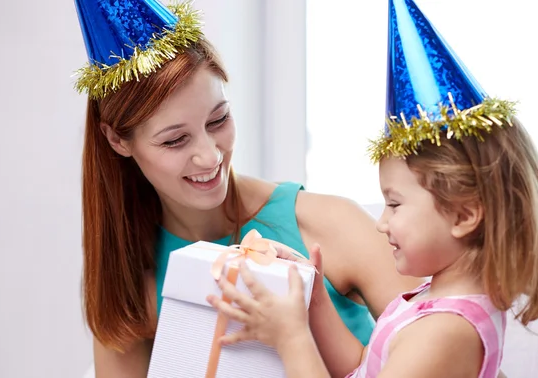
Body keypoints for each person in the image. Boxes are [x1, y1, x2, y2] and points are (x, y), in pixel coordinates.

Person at [206, 0, 538, 377]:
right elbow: (363, 365)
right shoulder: (430, 301)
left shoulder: (444, 332)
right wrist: (315, 301)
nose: (381, 222)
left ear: (464, 214)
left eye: (395, 203)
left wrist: (292, 338)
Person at [72, 1, 421, 376]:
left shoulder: (329, 224)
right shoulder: (130, 273)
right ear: (118, 140)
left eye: (218, 119)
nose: (208, 157)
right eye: (175, 141)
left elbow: (458, 348)